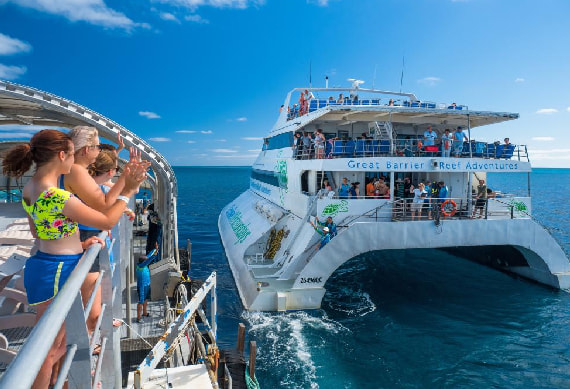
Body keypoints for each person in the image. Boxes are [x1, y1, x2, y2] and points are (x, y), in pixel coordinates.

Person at [2, 129, 147, 389]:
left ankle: (60, 381)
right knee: (46, 348)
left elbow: (39, 232)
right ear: (61, 155)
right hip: (58, 270)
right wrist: (129, 190)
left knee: (56, 343)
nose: (74, 162)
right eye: (71, 155)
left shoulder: (30, 188)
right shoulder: (57, 196)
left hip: (46, 263)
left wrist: (79, 243)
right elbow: (106, 219)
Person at [63, 126, 146, 336]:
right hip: (76, 239)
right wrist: (126, 186)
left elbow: (104, 203)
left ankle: (91, 337)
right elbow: (104, 207)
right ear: (85, 150)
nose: (100, 151)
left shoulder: (76, 170)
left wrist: (125, 179)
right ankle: (91, 344)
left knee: (89, 301)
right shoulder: (75, 171)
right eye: (97, 146)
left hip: (75, 238)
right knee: (87, 305)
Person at [136, 244, 159, 323]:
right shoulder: (141, 266)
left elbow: (149, 256)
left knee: (146, 300)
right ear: (144, 262)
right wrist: (154, 255)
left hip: (147, 285)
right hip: (142, 287)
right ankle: (138, 318)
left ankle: (144, 313)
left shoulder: (143, 264)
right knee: (141, 301)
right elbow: (149, 259)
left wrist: (155, 250)